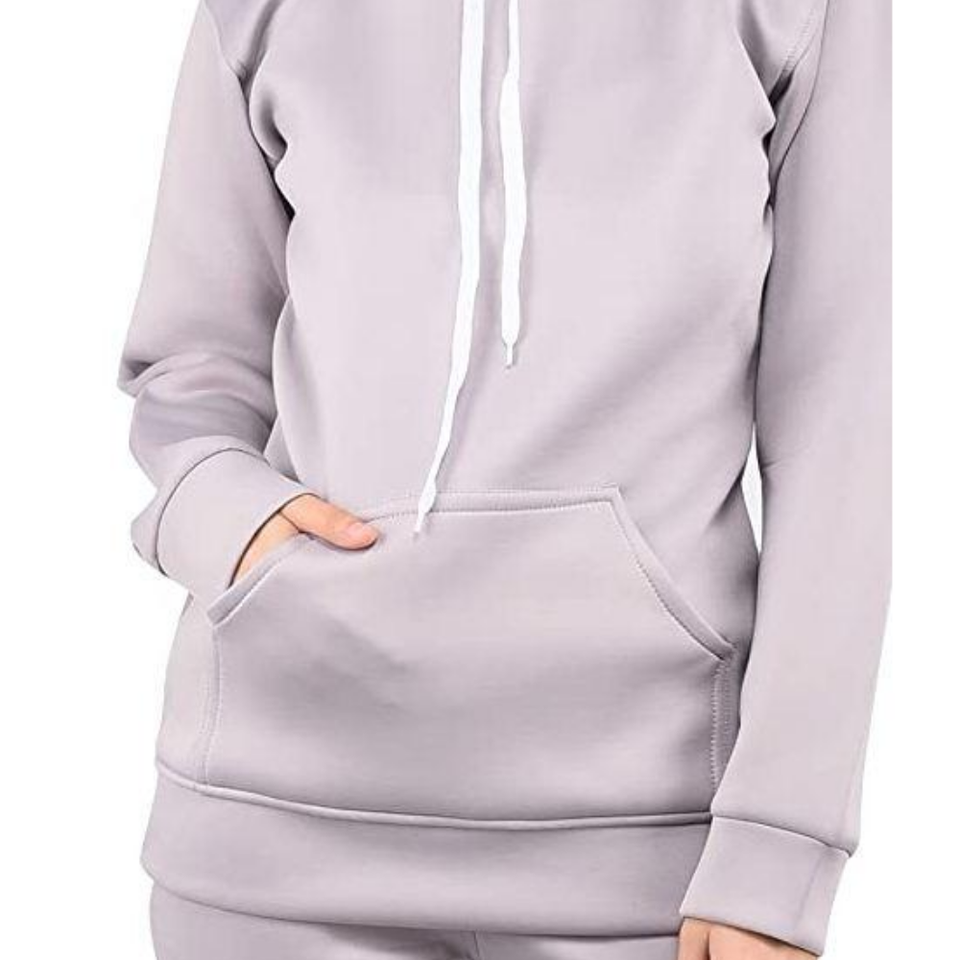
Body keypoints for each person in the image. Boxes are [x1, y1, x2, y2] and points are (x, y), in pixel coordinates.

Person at [119, 1, 890, 958]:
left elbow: (834, 423)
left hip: (650, 862)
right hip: (268, 839)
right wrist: (230, 527)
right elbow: (193, 360)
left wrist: (779, 851)